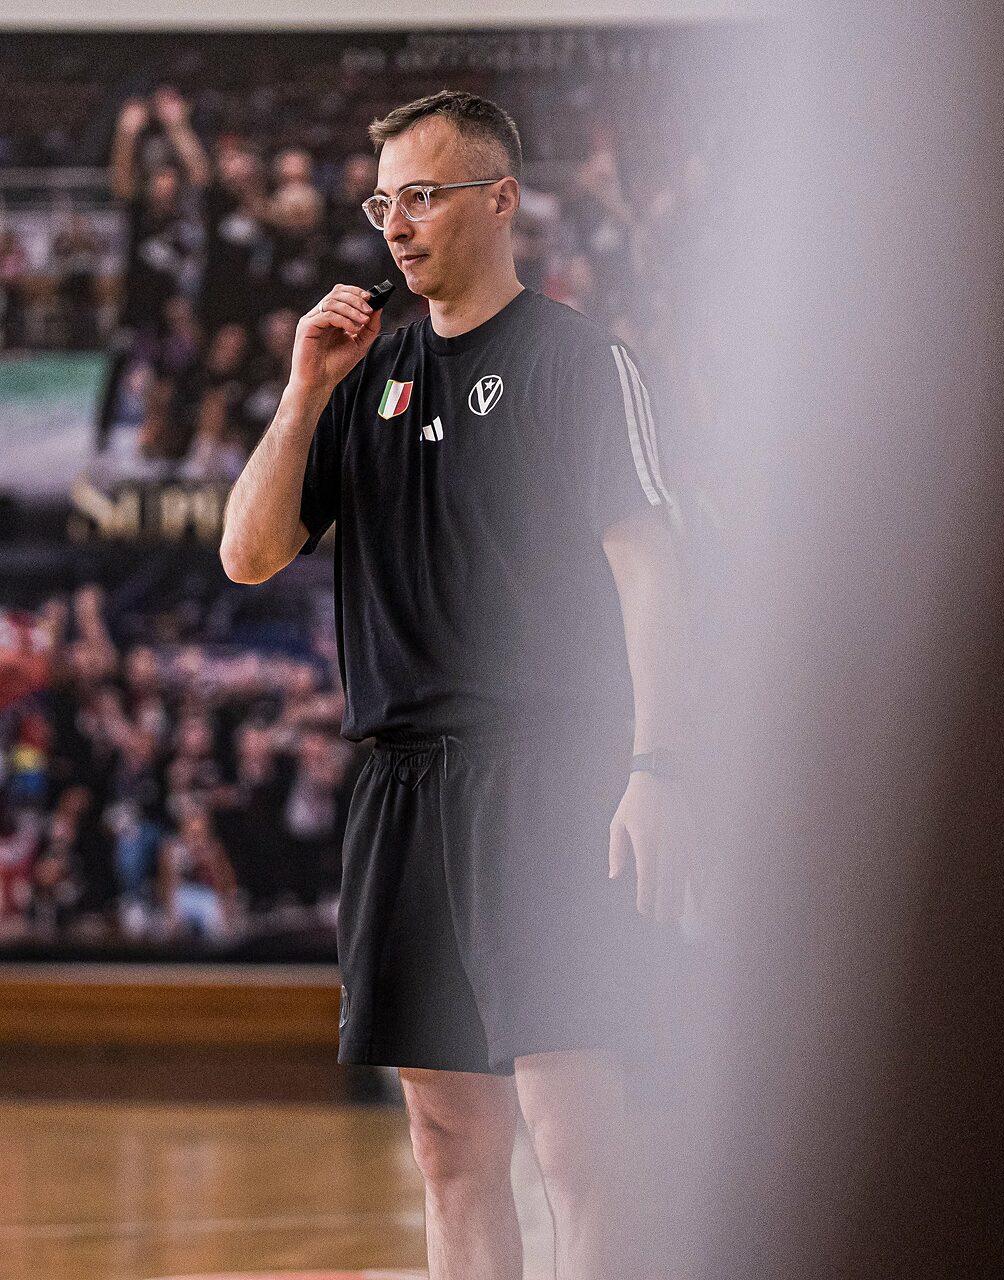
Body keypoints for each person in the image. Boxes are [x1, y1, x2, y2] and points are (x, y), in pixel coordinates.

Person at [220, 90, 691, 1280]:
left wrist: (658, 768)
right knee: (445, 1142)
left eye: (422, 194)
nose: (397, 223)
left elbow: (652, 573)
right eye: (383, 200)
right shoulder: (361, 369)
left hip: (549, 780)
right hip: (400, 786)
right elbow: (247, 551)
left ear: (498, 199)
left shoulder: (579, 363)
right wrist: (302, 388)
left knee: (575, 1139)